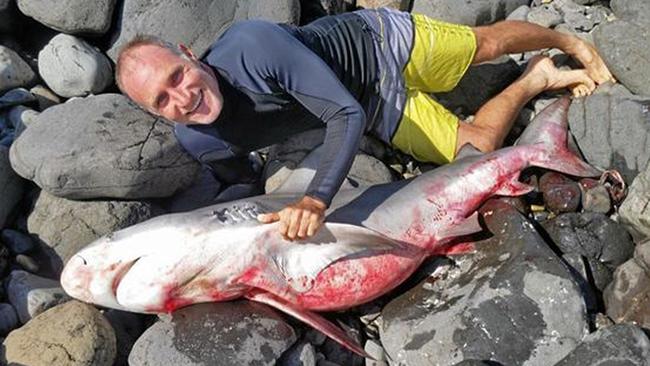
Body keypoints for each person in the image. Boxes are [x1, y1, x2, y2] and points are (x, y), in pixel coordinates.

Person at [115, 7, 614, 241]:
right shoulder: (198, 138)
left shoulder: (251, 46)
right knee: (476, 152)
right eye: (163, 100)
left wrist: (314, 199)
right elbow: (241, 183)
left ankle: (565, 41)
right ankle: (535, 78)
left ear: (187, 54)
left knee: (482, 46)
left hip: (376, 43)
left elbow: (343, 116)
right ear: (153, 113)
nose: (184, 96)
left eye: (178, 74)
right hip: (374, 105)